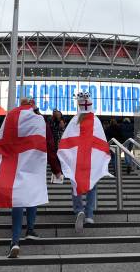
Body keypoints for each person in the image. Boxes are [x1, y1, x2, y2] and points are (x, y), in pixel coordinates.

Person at [0, 97, 56, 259]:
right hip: (31, 163)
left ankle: (14, 241)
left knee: (17, 201)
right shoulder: (38, 120)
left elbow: (1, 140)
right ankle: (30, 229)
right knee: (32, 194)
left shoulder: (10, 117)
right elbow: (48, 143)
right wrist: (56, 169)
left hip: (13, 163)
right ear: (33, 105)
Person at [57, 92, 110, 232]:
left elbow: (65, 142)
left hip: (77, 160)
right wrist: (103, 156)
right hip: (91, 160)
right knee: (92, 185)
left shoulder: (75, 120)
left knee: (75, 183)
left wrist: (65, 157)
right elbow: (102, 142)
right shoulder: (96, 121)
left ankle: (78, 209)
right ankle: (89, 214)